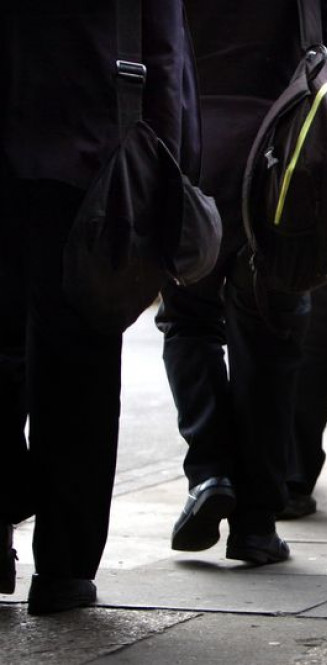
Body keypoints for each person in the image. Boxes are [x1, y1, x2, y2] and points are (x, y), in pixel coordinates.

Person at [156, 0, 327, 563]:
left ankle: (210, 472)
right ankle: (257, 524)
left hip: (188, 155)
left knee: (187, 319)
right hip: (286, 163)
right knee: (272, 335)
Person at [1, 2, 199, 613]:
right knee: (80, 372)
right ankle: (63, 571)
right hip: (91, 170)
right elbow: (164, 56)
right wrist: (173, 175)